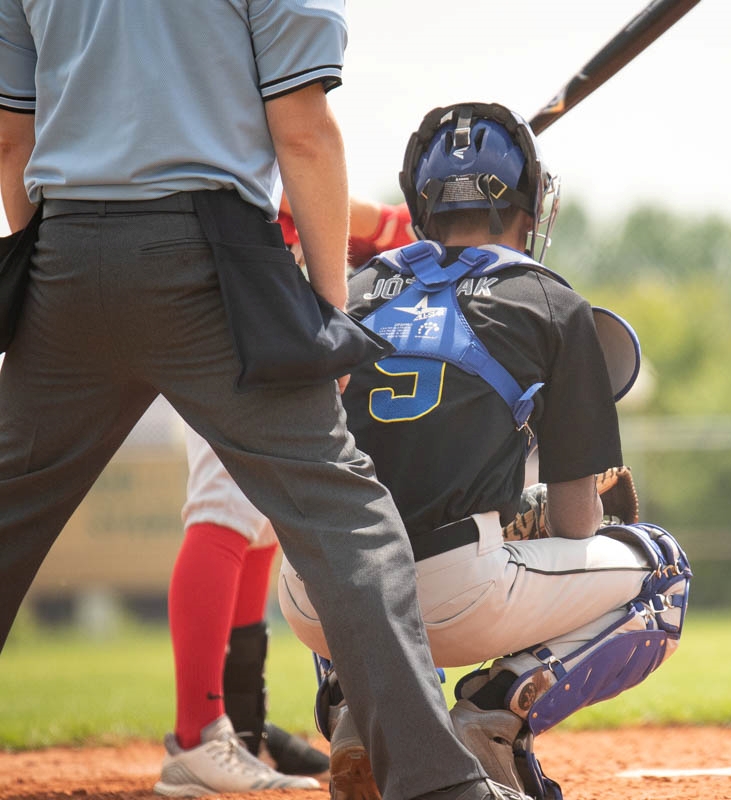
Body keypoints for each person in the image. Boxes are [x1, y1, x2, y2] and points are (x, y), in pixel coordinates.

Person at [0, 5, 525, 800]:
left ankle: (225, 724)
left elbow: (13, 142)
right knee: (344, 515)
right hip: (209, 261)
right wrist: (326, 315)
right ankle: (437, 785)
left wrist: (70, 265)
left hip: (64, 252)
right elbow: (304, 134)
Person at [276, 101, 692, 800]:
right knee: (665, 573)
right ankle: (490, 720)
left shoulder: (349, 288)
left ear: (422, 201)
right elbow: (576, 525)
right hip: (453, 597)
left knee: (343, 526)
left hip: (311, 596)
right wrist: (527, 510)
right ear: (531, 206)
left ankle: (358, 708)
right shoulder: (551, 302)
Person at [165, 197, 414, 786]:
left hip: (231, 279)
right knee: (223, 510)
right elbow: (290, 171)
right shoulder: (241, 105)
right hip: (225, 285)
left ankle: (241, 732)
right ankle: (197, 736)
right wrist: (380, 222)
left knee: (253, 518)